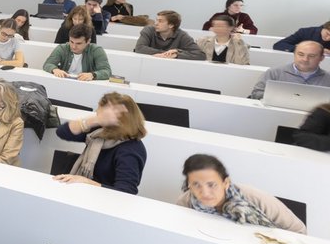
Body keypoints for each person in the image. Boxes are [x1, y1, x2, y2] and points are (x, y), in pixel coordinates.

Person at [176, 154, 305, 233]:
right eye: (196, 184)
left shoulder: (255, 198)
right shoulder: (185, 202)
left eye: (212, 185)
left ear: (226, 183)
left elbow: (299, 231)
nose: (204, 193)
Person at [53, 92, 147, 194]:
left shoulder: (131, 150)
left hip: (105, 202)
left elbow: (125, 192)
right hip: (84, 193)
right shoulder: (99, 133)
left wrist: (87, 182)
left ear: (121, 118)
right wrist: (94, 120)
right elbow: (63, 132)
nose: (97, 111)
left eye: (102, 110)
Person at [248, 41, 329, 99]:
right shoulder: (274, 72)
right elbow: (256, 94)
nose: (305, 59)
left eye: (311, 56)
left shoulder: (328, 78)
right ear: (294, 54)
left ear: (321, 58)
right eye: (300, 54)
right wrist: (281, 99)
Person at [44, 25, 112, 80]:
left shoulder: (97, 50)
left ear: (88, 41)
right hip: (64, 82)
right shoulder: (62, 48)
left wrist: (92, 75)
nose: (73, 46)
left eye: (78, 43)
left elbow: (107, 71)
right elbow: (48, 64)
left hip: (86, 85)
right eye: (71, 42)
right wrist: (55, 70)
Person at [134, 11, 204, 59]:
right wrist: (168, 54)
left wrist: (177, 54)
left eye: (160, 21)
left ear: (171, 25)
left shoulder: (182, 35)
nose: (156, 23)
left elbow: (200, 54)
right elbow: (139, 48)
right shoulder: (148, 30)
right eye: (156, 20)